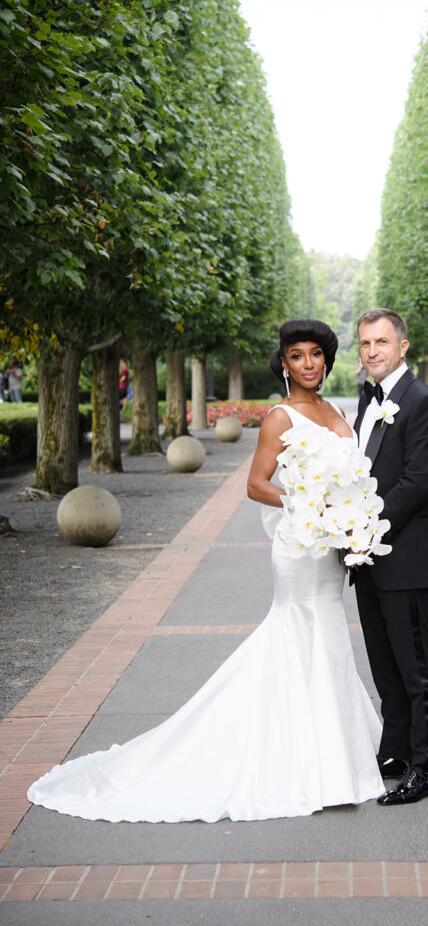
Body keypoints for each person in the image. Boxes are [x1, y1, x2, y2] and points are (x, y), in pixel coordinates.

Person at [27, 318, 384, 823]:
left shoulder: (335, 412)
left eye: (316, 354)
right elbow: (257, 485)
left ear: (326, 359)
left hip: (329, 549)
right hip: (299, 547)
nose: (308, 364)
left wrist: (350, 519)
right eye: (297, 356)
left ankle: (333, 751)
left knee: (327, 631)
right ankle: (303, 761)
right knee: (300, 628)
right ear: (283, 364)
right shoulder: (280, 418)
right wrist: (313, 507)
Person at [353, 308, 428, 805]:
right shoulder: (368, 402)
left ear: (403, 346)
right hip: (366, 558)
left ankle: (427, 770)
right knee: (384, 664)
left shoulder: (423, 402)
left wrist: (361, 524)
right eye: (365, 343)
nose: (372, 351)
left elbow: (415, 485)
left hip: (403, 553)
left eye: (382, 342)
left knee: (416, 667)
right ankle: (395, 751)